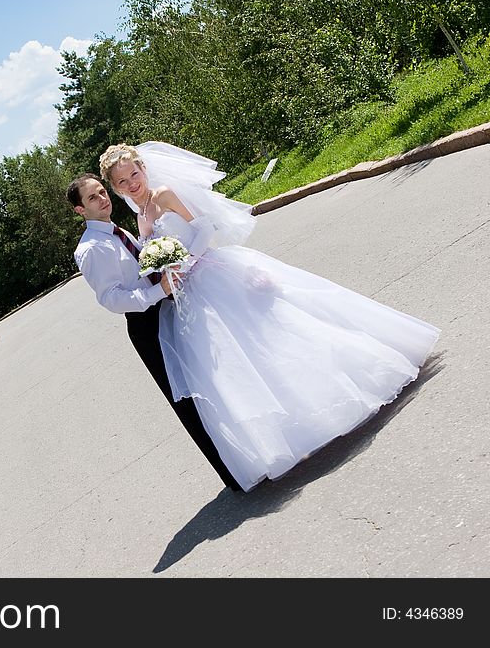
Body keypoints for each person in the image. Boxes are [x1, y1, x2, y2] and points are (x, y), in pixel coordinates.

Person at [98, 142, 441, 492]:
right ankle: (292, 427)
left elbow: (203, 229)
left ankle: (353, 380)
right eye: (122, 181)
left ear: (143, 168)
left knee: (273, 334)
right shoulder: (139, 216)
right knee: (238, 364)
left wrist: (184, 262)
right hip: (189, 296)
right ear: (115, 188)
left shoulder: (165, 194)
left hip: (212, 275)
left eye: (134, 174)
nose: (131, 183)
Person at [68, 173, 244, 491]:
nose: (102, 199)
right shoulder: (92, 249)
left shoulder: (116, 231)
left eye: (102, 192)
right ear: (80, 210)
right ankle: (232, 473)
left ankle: (243, 452)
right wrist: (157, 291)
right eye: (92, 198)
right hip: (146, 325)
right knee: (186, 399)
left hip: (168, 310)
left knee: (205, 380)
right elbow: (111, 298)